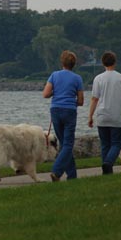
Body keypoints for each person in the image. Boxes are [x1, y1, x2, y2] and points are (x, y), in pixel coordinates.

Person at [88, 51, 121, 175]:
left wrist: (90, 116)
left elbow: (94, 98)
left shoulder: (98, 78)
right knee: (116, 143)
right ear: (115, 62)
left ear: (103, 63)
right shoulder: (120, 77)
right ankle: (108, 163)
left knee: (105, 144)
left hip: (102, 116)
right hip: (117, 117)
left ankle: (106, 171)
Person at [43, 50, 84, 181]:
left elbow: (45, 94)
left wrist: (56, 92)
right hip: (70, 111)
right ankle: (57, 170)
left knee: (65, 144)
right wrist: (72, 101)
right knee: (68, 144)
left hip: (55, 110)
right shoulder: (77, 78)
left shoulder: (54, 75)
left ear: (62, 62)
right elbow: (81, 101)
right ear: (74, 64)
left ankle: (72, 176)